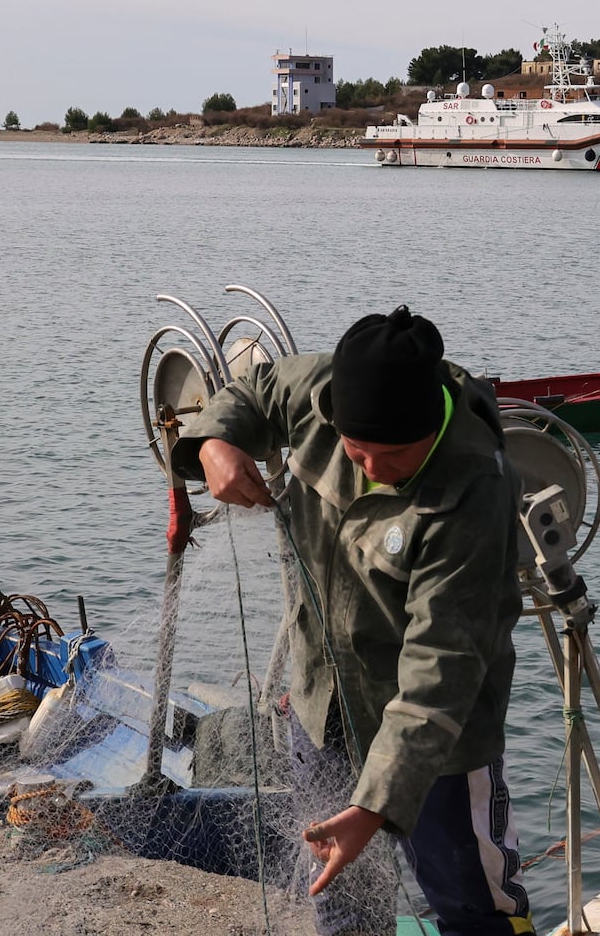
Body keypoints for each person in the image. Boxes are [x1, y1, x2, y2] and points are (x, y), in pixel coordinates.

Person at [171, 305, 533, 936]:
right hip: (323, 710)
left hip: (438, 740)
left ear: (432, 430)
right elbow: (251, 391)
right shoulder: (320, 391)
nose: (367, 469)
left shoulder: (473, 490)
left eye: (389, 458)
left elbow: (439, 670)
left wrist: (372, 807)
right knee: (341, 904)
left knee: (473, 907)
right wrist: (214, 444)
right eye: (354, 450)